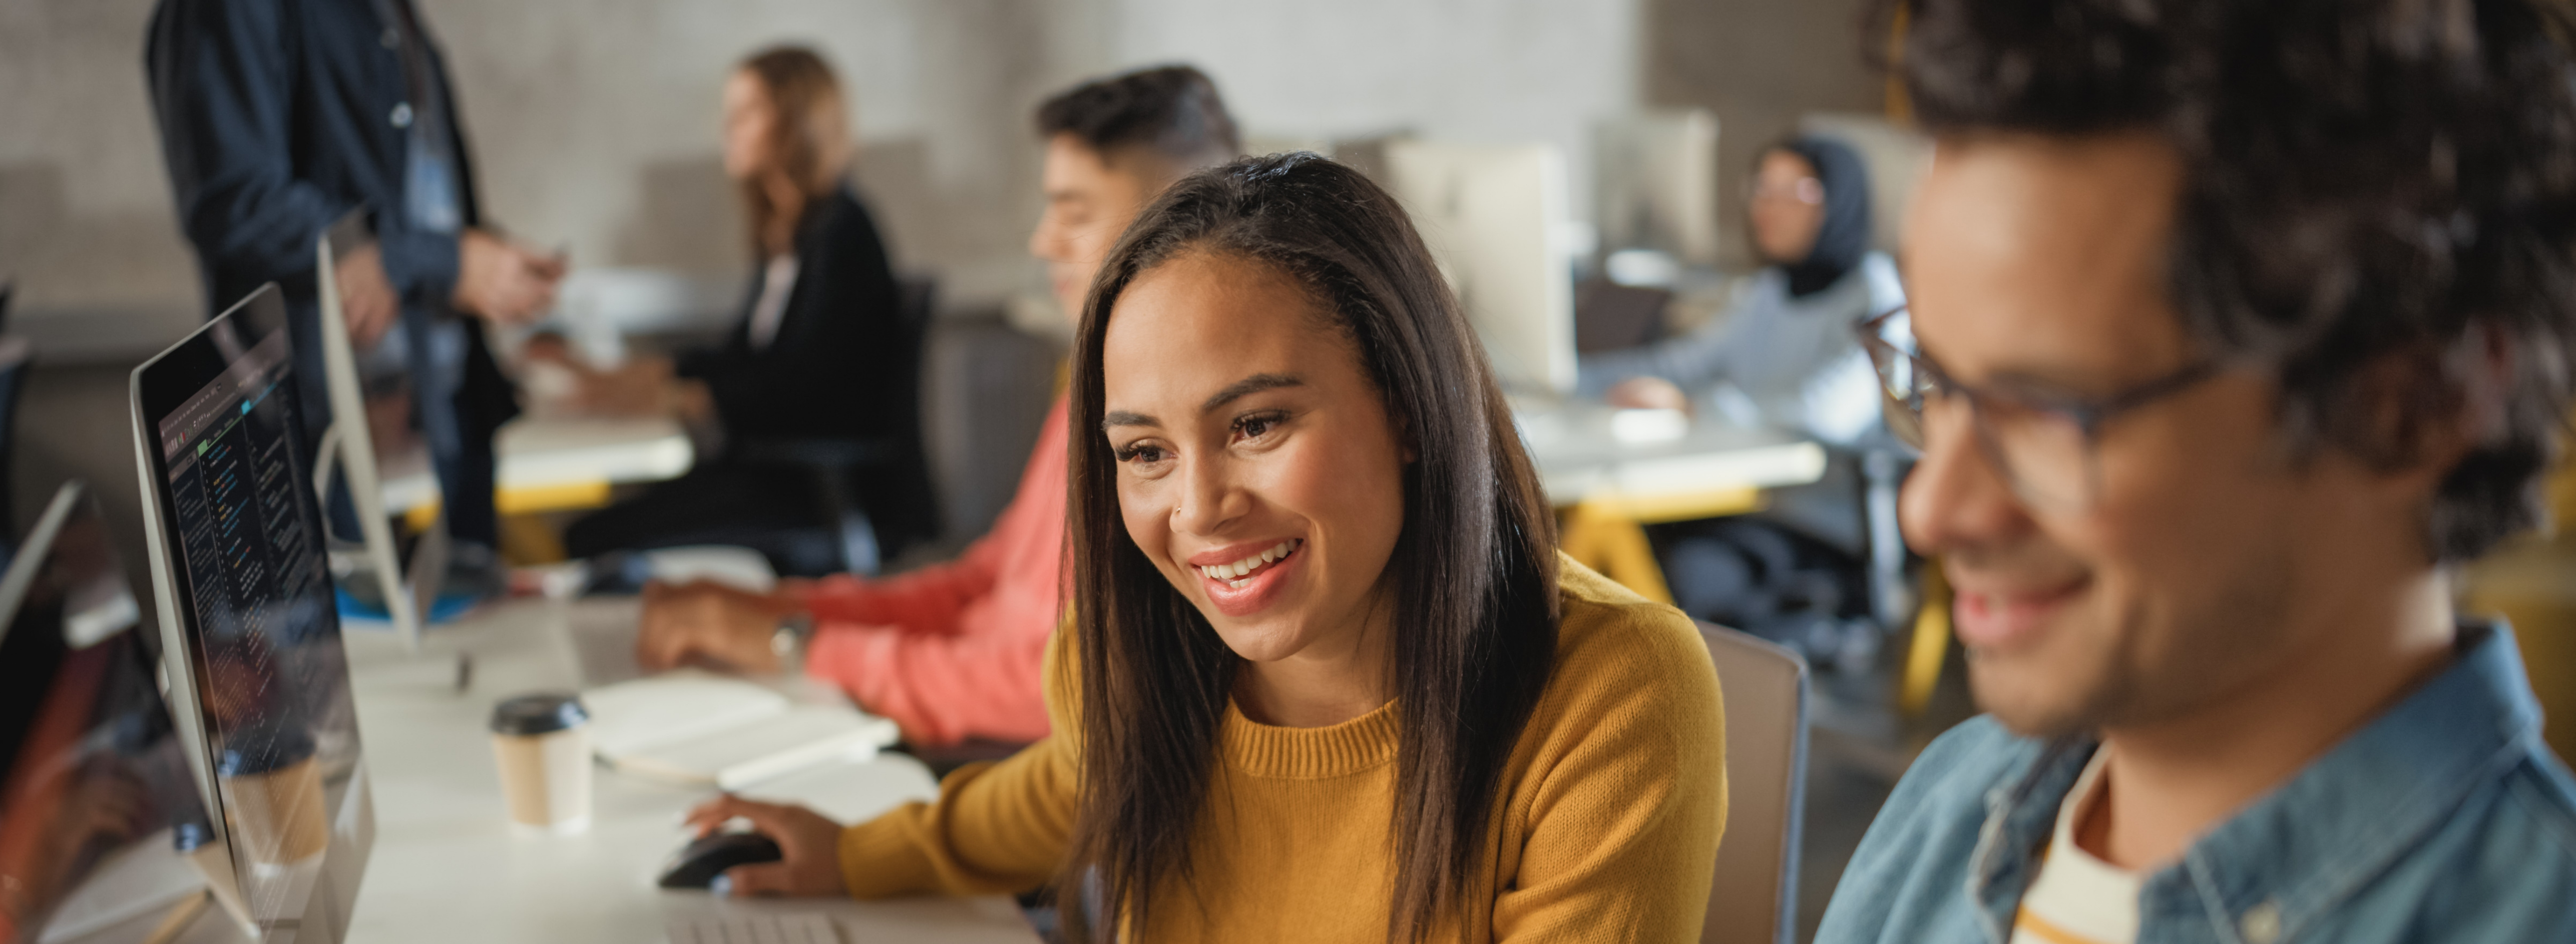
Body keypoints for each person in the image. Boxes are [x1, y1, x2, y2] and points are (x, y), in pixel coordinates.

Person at [682, 154, 1726, 942]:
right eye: (1143, 451)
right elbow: (1068, 787)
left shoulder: (1610, 697)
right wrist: (859, 853)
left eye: (1257, 425)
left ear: (1409, 407)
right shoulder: (1136, 654)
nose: (1198, 510)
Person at [1819, 1, 2576, 942]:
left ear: (2414, 408)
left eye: (2048, 410)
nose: (1931, 508)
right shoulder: (1949, 807)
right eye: (1940, 384)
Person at [630, 66, 1243, 749]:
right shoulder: (1091, 385)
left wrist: (794, 642)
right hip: (973, 724)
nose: (1043, 241)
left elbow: (1041, 692)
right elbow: (985, 585)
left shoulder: (1171, 444)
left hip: (1014, 767)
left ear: (1186, 223)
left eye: (1075, 212)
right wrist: (785, 609)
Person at [144, 0, 564, 598]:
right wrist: (432, 260)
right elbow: (234, 202)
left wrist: (476, 257)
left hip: (435, 407)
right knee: (343, 674)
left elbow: (402, 190)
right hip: (323, 428)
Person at [559, 46, 926, 574]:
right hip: (777, 470)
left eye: (748, 111)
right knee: (598, 526)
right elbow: (744, 358)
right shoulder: (790, 236)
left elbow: (809, 389)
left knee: (595, 536)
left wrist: (684, 396)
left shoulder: (842, 233)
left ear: (797, 122)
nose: (727, 127)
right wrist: (636, 379)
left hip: (816, 486)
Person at [1582, 135, 1900, 447]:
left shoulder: (1876, 295)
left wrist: (1690, 408)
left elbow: (1827, 414)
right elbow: (1686, 363)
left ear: (1840, 201)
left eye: (1792, 193)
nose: (1768, 208)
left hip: (1826, 491)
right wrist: (1573, 379)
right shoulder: (1768, 289)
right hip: (1752, 474)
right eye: (1762, 189)